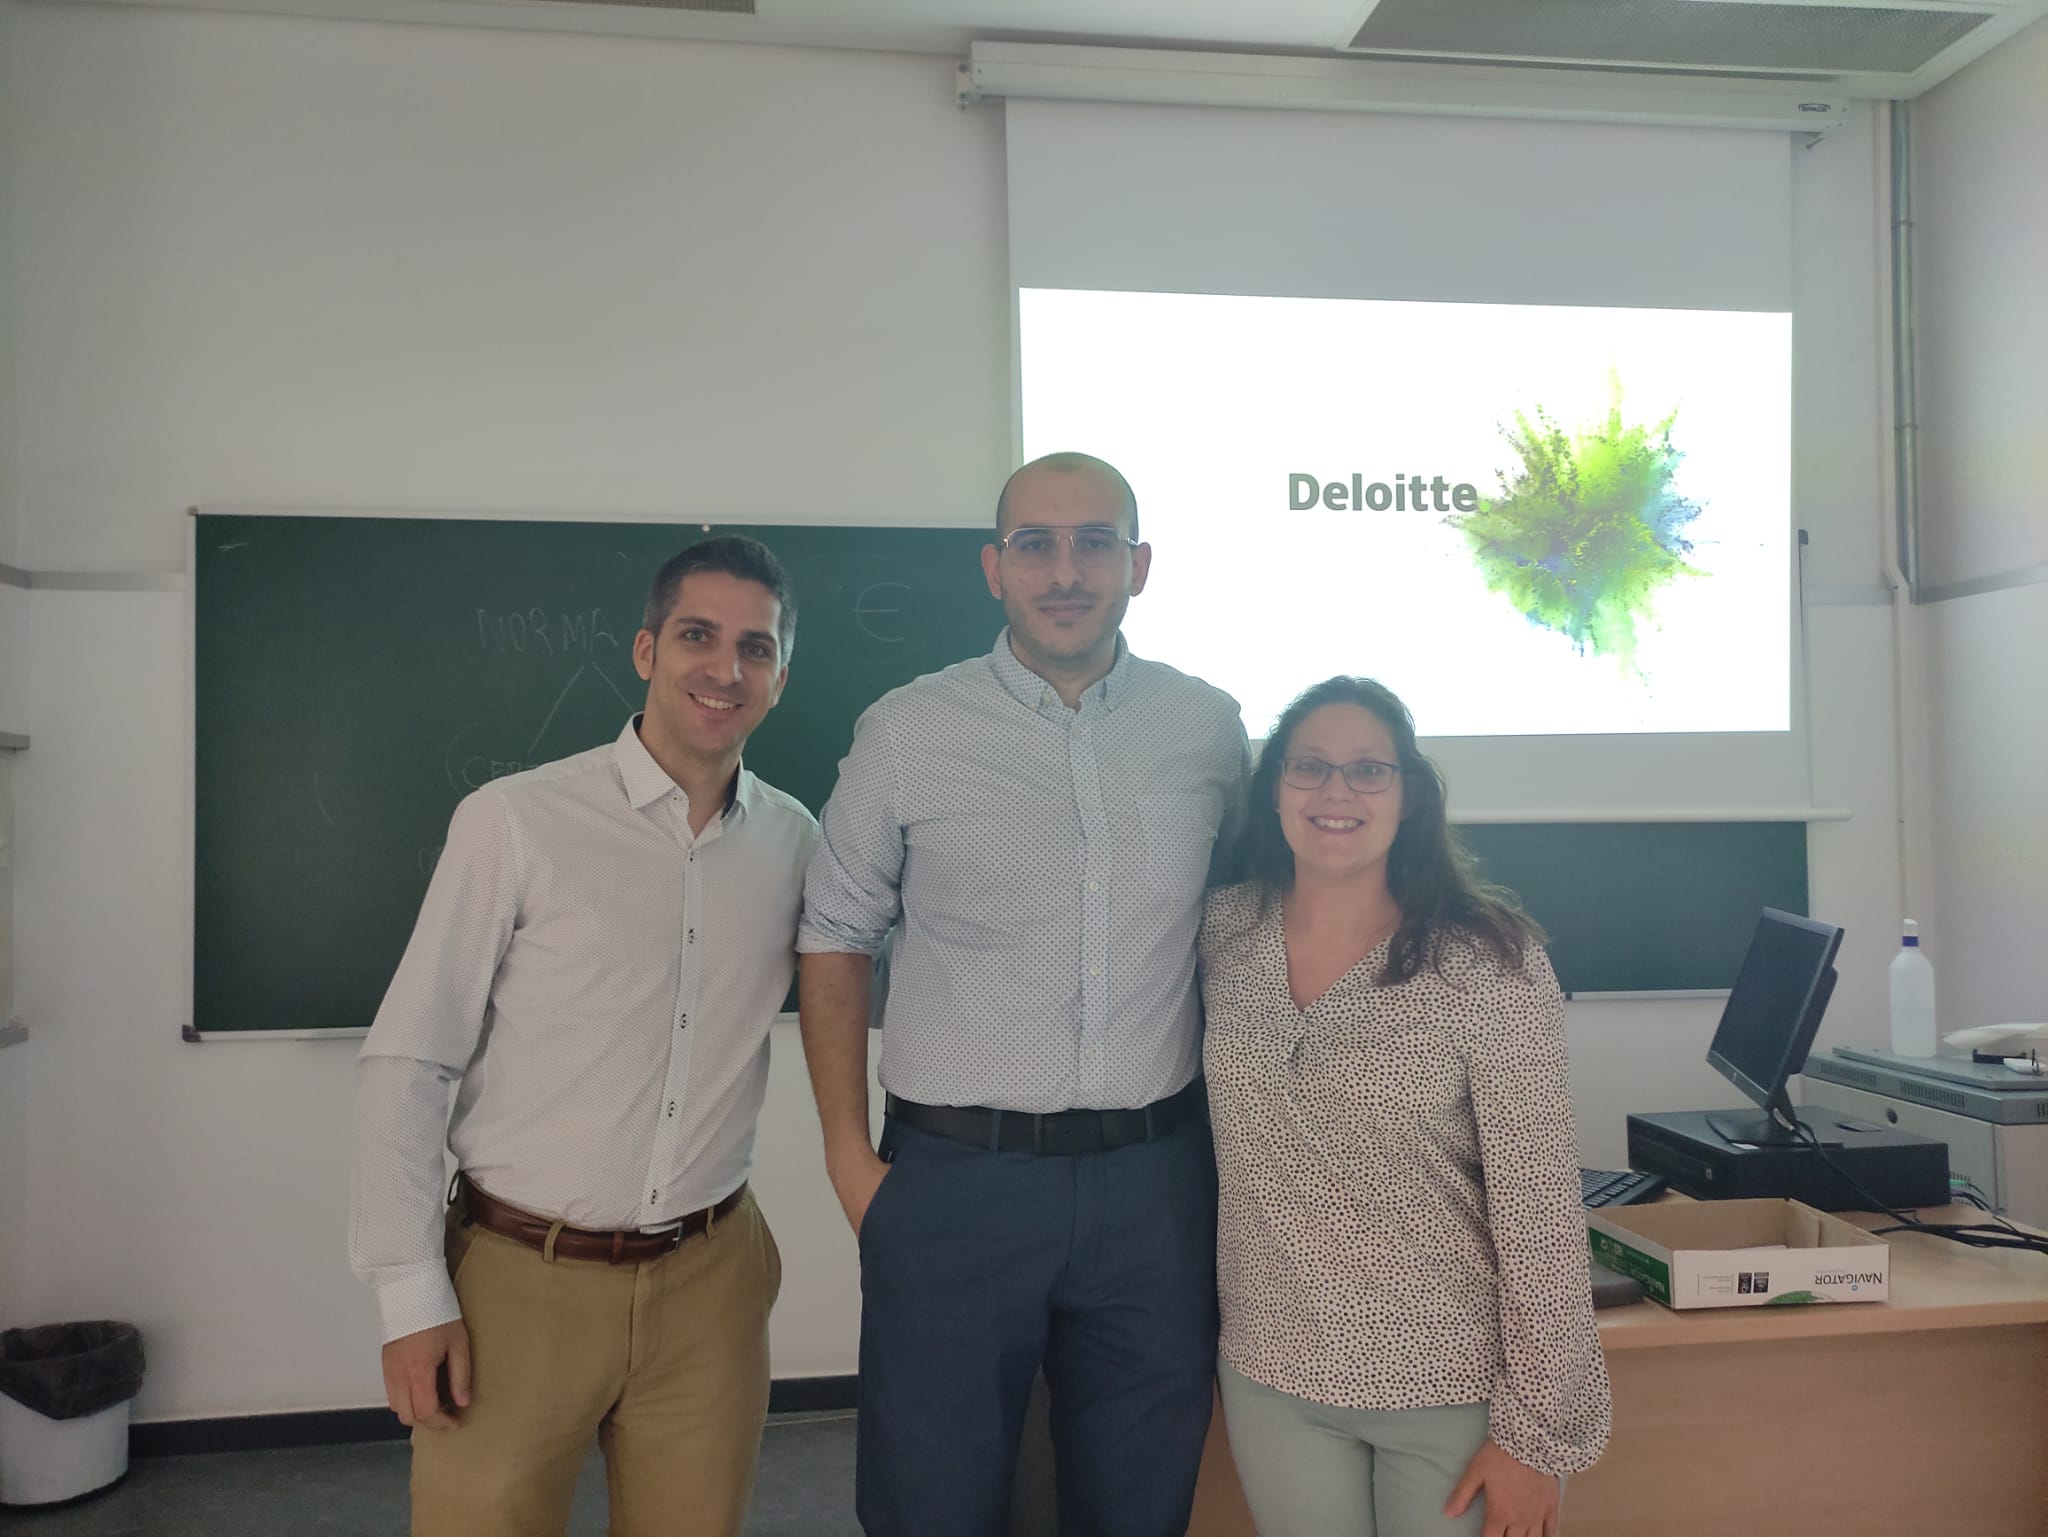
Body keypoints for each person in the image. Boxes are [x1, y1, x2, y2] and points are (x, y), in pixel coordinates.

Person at [797, 452, 1250, 1537]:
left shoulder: (1205, 727)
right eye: (1036, 545)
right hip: (957, 1185)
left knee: (1138, 1500)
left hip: (1155, 1186)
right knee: (932, 1502)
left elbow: (1245, 927)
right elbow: (833, 934)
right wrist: (846, 1158)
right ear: (993, 567)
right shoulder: (907, 731)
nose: (1066, 569)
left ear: (1136, 565)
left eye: (1095, 541)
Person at [347, 535, 819, 1537]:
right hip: (517, 1285)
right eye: (697, 635)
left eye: (756, 647)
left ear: (781, 673)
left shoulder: (796, 843)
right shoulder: (514, 821)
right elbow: (410, 1059)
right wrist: (407, 1293)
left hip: (710, 1284)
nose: (725, 669)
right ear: (645, 650)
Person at [1199, 676, 1610, 1537]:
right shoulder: (1221, 935)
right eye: (1309, 766)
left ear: (1409, 793)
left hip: (1448, 1382)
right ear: (1273, 786)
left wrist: (1539, 1438)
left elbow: (1540, 1208)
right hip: (1273, 1374)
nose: (1336, 791)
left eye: (1368, 770)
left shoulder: (1487, 963)